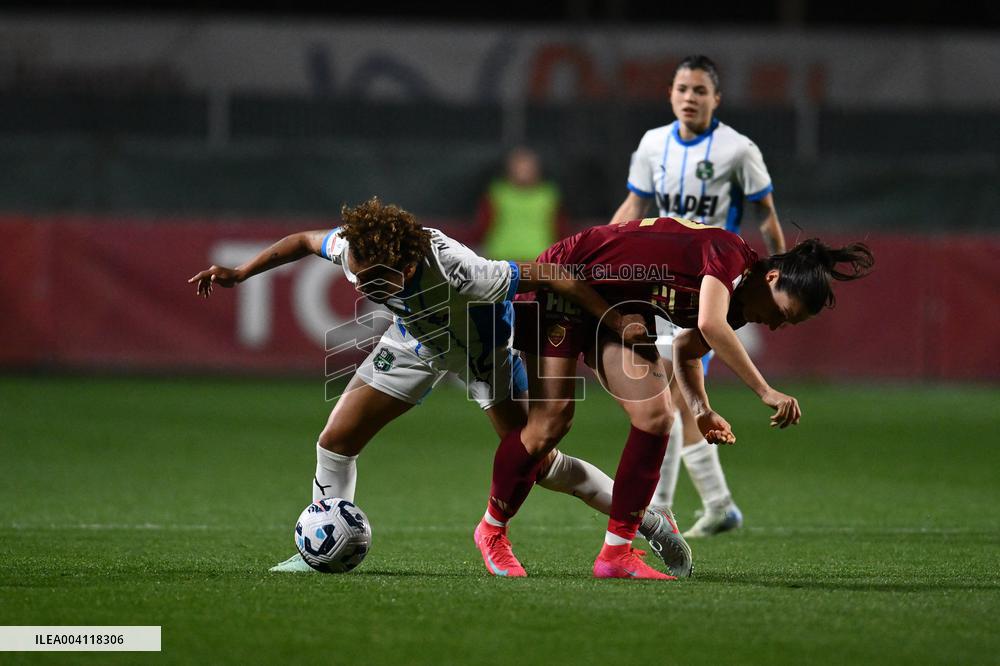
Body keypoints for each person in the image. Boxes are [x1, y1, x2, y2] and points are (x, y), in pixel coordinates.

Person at [188, 197, 691, 575]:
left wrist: (616, 319)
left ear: (407, 267)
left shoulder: (460, 269)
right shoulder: (357, 249)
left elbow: (554, 275)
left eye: (373, 282)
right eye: (358, 276)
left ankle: (647, 519)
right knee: (335, 442)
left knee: (535, 464)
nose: (361, 288)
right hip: (414, 343)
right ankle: (317, 548)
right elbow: (300, 240)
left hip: (483, 353)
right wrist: (241, 272)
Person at [475, 215, 873, 579]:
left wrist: (702, 411)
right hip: (569, 281)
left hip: (621, 305)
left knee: (657, 416)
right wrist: (765, 391)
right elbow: (709, 325)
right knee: (550, 425)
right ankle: (491, 531)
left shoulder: (739, 305)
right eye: (784, 312)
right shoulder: (728, 253)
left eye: (789, 322)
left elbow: (687, 349)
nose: (777, 324)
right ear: (771, 278)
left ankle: (616, 554)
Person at [609, 55, 787, 538]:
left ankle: (661, 509)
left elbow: (766, 215)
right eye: (683, 89)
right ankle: (718, 504)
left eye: (700, 91)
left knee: (668, 396)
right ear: (671, 93)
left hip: (713, 286)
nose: (690, 97)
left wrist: (780, 274)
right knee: (677, 400)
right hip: (664, 284)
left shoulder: (737, 150)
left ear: (716, 99)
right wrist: (604, 244)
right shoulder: (653, 144)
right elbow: (635, 205)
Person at [476, 147, 567, 263]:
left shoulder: (549, 194)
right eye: (519, 167)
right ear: (509, 169)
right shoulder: (497, 192)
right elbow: (482, 225)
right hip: (502, 256)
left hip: (538, 257)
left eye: (527, 167)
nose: (523, 171)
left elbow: (560, 227)